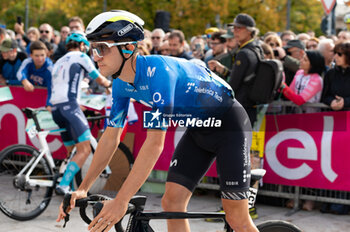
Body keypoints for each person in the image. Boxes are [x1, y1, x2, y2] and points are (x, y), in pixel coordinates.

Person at [57, 10, 258, 232]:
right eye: (94, 49)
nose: (96, 56)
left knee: (236, 218)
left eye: (102, 48)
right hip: (198, 129)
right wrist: (84, 188)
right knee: (172, 203)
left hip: (229, 127)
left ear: (129, 47)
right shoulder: (120, 85)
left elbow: (154, 144)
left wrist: (122, 201)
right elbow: (111, 137)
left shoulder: (160, 74)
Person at [48, 31, 111, 195]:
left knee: (72, 151)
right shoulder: (81, 57)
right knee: (84, 150)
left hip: (56, 109)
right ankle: (63, 185)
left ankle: (64, 179)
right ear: (82, 45)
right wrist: (111, 86)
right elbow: (99, 79)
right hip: (70, 107)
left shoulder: (58, 61)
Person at [207, 13, 263, 126]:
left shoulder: (244, 53)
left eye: (239, 28)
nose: (234, 31)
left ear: (249, 31)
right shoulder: (256, 48)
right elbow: (244, 76)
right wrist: (224, 70)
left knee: (234, 142)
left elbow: (233, 85)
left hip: (240, 107)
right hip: (249, 106)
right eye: (234, 28)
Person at [322, 41, 350, 111]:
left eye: (339, 54)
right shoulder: (330, 74)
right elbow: (325, 96)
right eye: (335, 53)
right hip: (334, 117)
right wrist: (331, 101)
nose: (335, 56)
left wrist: (345, 102)